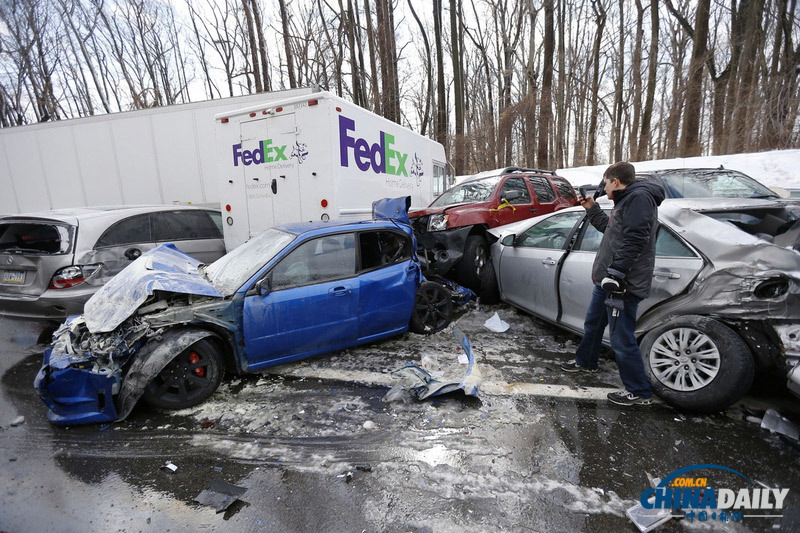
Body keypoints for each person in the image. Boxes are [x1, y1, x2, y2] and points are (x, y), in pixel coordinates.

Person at [560, 162, 665, 406]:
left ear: (615, 181)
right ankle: (586, 362)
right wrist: (592, 209)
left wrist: (616, 273)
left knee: (621, 338)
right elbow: (613, 233)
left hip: (622, 283)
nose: (603, 187)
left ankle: (638, 391)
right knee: (594, 323)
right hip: (608, 280)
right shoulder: (626, 199)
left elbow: (636, 240)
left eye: (605, 182)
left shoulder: (638, 199)